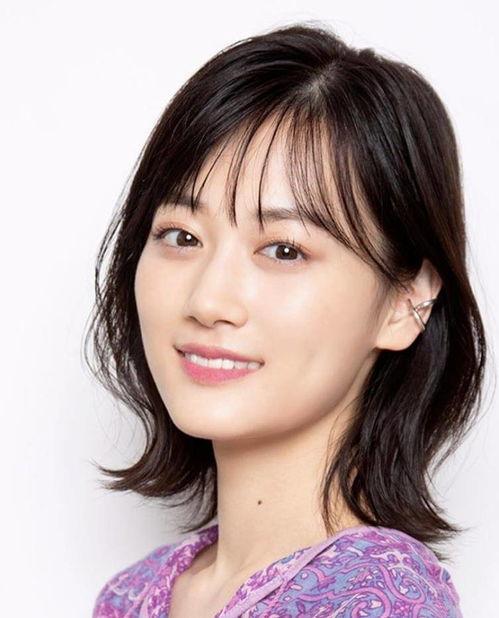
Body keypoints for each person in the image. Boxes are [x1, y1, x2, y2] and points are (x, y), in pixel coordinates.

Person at [87, 21, 486, 617]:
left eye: (283, 250)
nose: (208, 301)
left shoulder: (378, 601)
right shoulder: (130, 596)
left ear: (406, 301)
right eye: (181, 236)